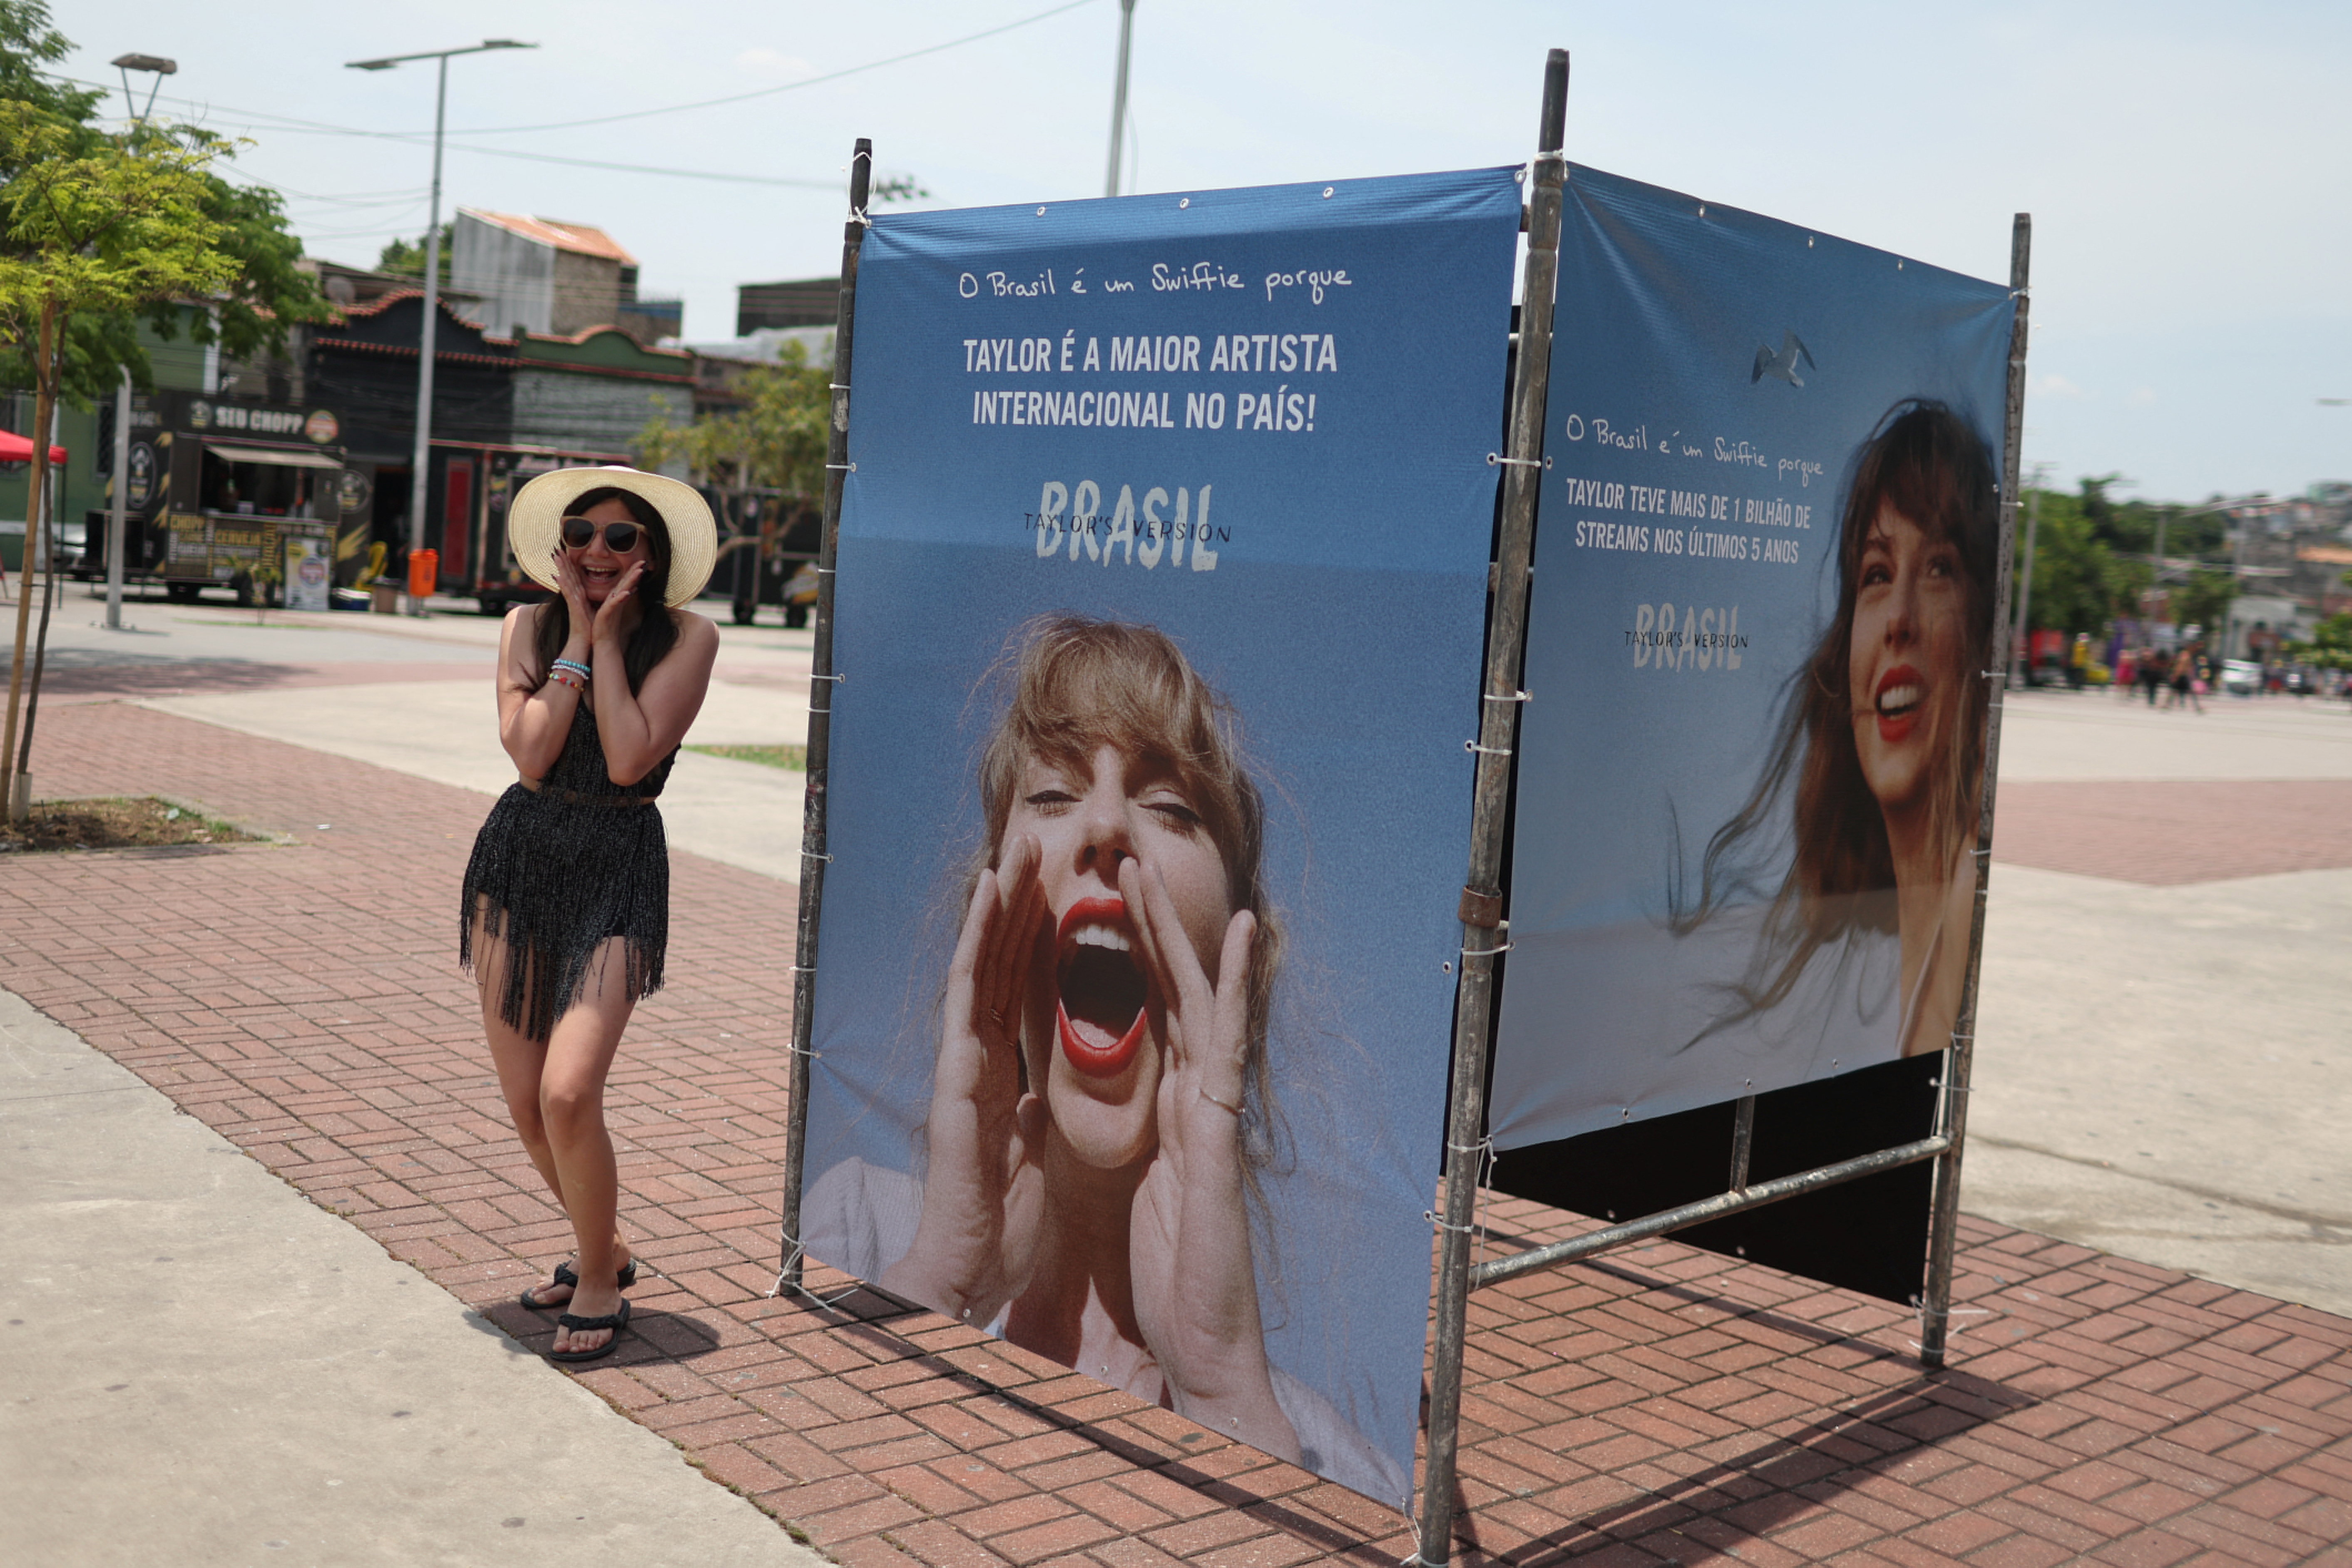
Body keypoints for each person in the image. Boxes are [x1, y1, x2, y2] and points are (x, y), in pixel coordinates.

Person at [806, 615, 1401, 1498]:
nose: (1107, 824)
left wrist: (1219, 1394)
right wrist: (940, 1285)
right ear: (990, 909)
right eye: (1051, 796)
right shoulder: (856, 1236)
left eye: (1170, 808)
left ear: (1241, 958)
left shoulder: (1330, 1467)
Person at [459, 466, 719, 1362]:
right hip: (518, 861)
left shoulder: (690, 637)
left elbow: (625, 759)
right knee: (529, 1108)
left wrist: (607, 640)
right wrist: (574, 630)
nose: (597, 551)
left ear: (652, 555)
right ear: (557, 547)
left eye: (621, 538)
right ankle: (599, 1247)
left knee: (570, 1091)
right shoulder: (523, 626)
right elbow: (532, 757)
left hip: (617, 863)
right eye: (581, 533)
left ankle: (600, 1281)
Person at [1673, 400, 1999, 1061]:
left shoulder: (1966, 892)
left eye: (1939, 569)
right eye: (1876, 576)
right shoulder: (1890, 945)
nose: (1897, 619)